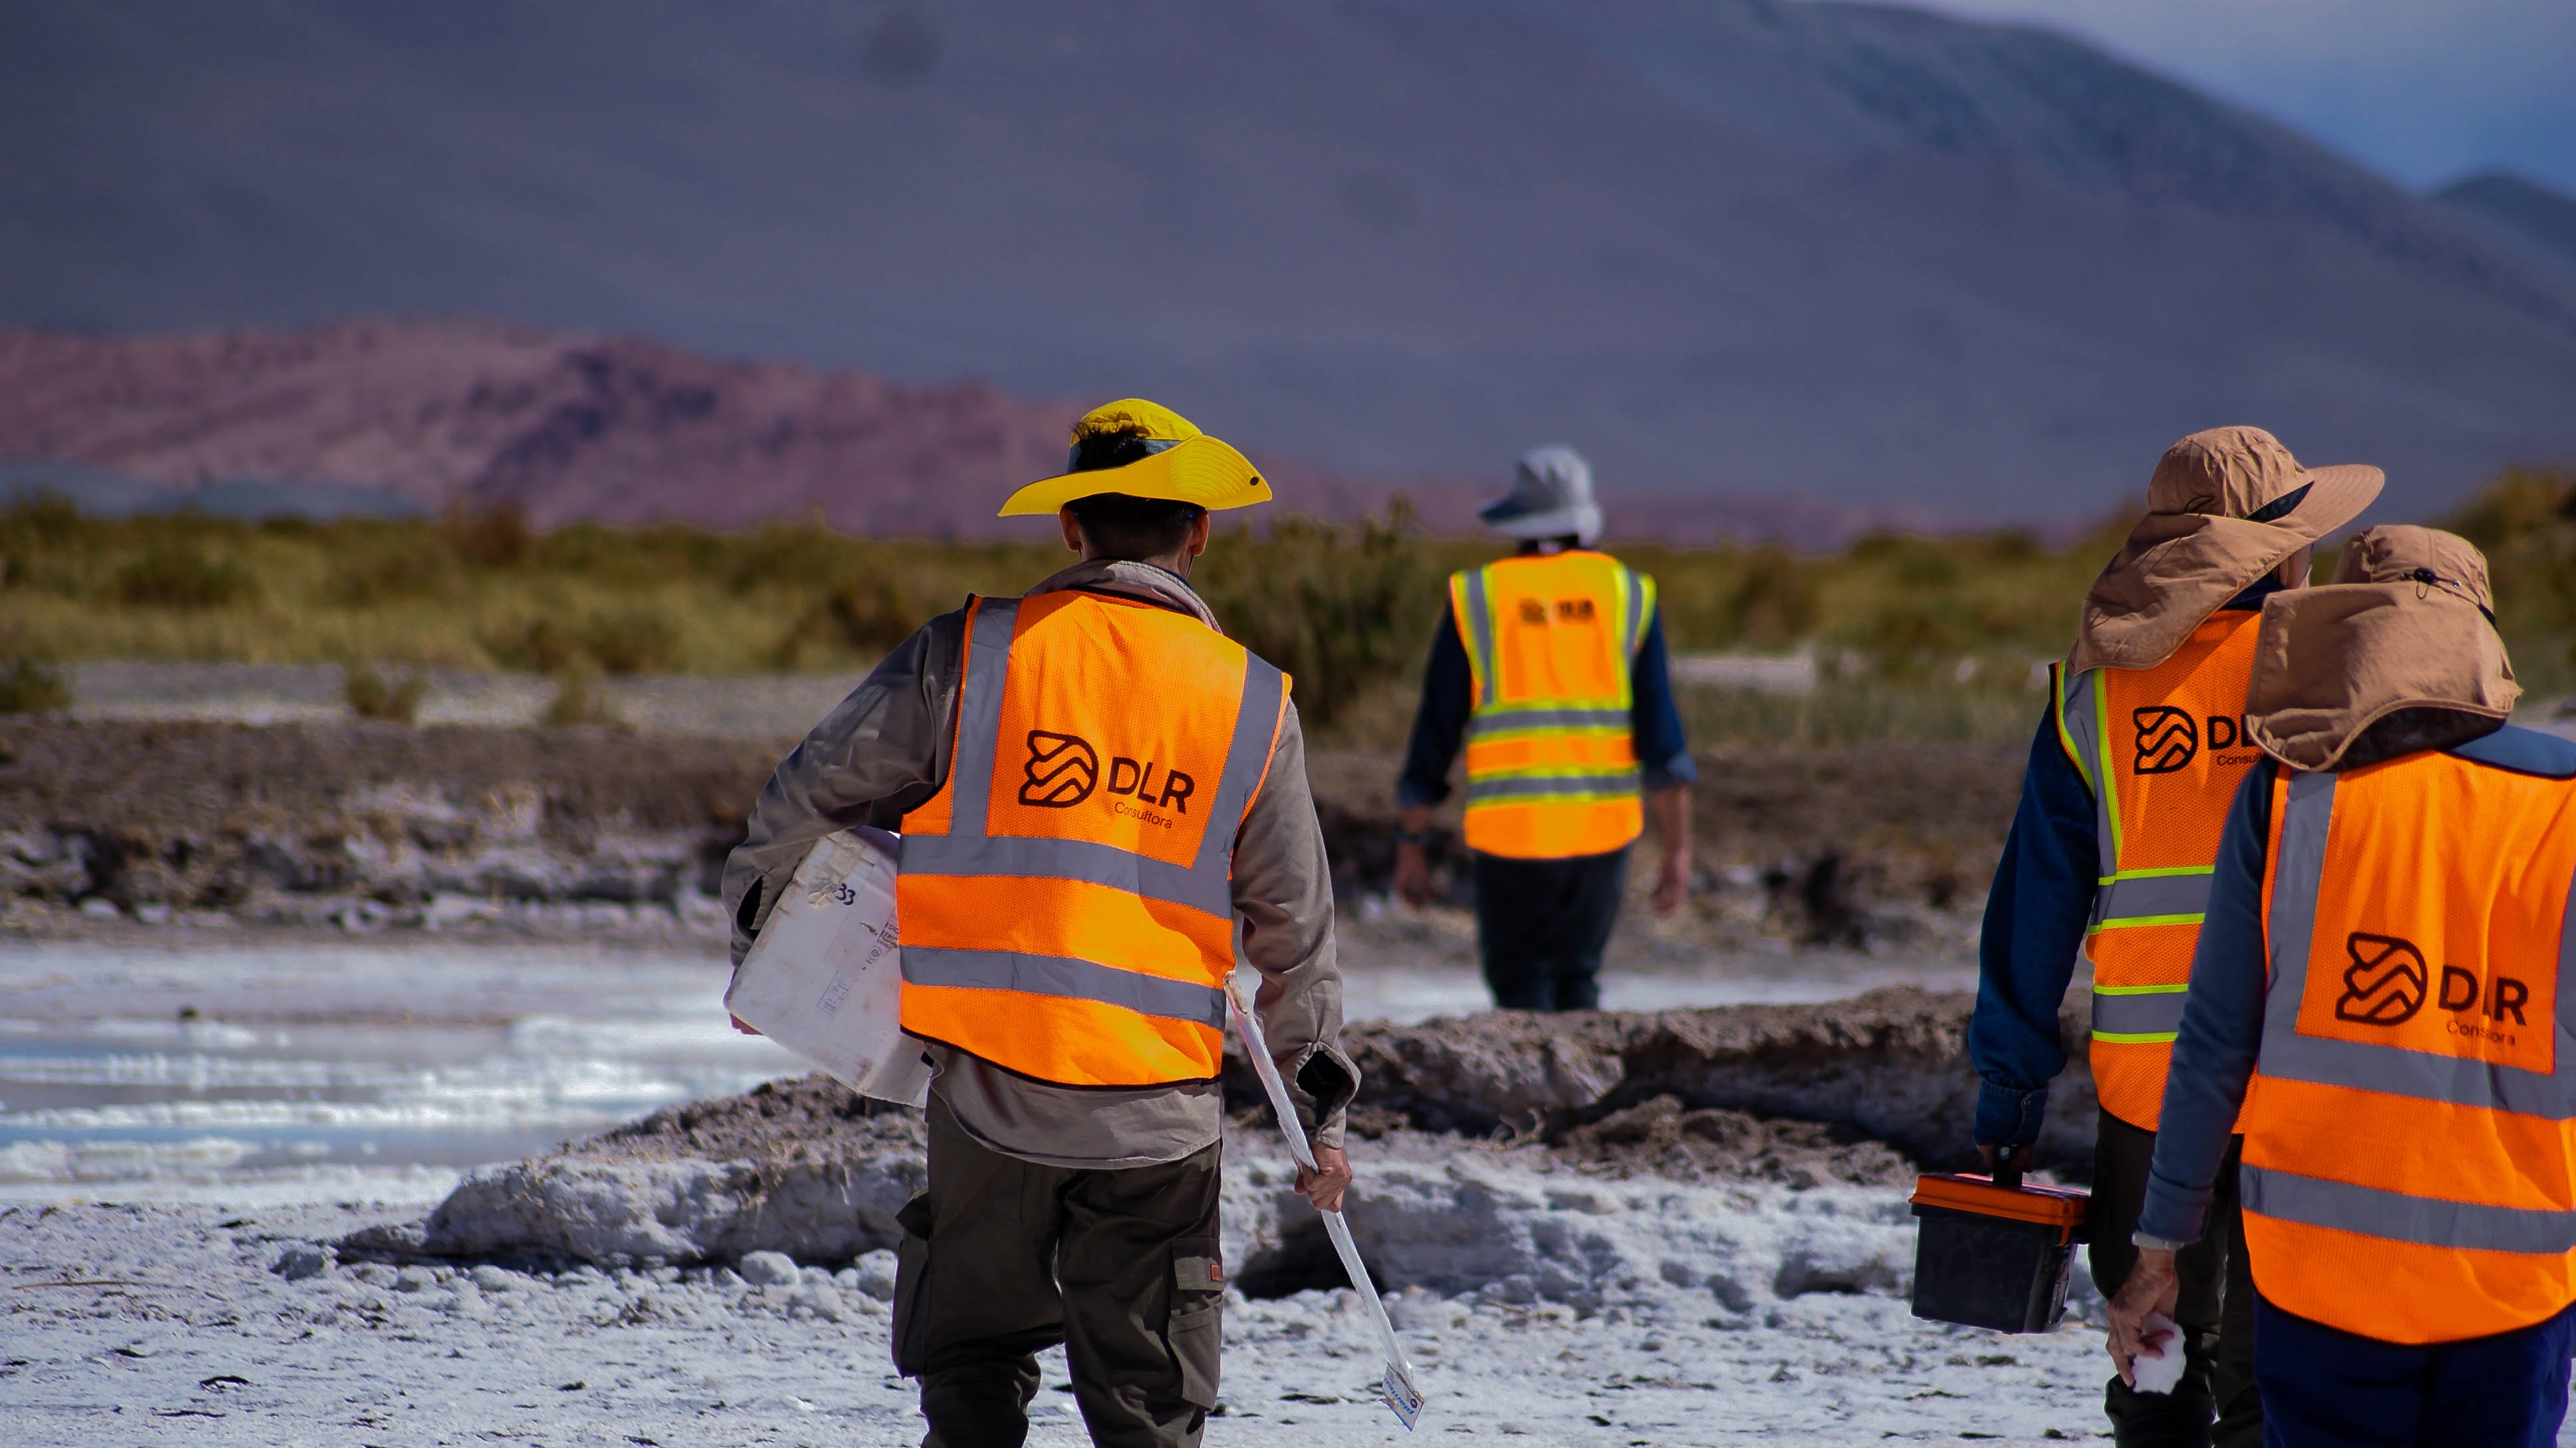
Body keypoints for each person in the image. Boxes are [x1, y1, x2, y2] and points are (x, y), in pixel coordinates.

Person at [721, 399, 1359, 1448]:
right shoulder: (1254, 703)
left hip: (985, 1098)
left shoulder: (968, 656)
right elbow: (1297, 937)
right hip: (1158, 1119)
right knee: (1152, 1418)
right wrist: (1320, 1121)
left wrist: (765, 962)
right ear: (1199, 530)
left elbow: (804, 799)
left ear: (1071, 526)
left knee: (971, 1383)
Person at [2108, 526, 2571, 1448]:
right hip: (2514, 1284)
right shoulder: (2564, 801)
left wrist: (2161, 1248)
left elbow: (2213, 1049)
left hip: (2319, 1280)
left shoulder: (2290, 793)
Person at [1967, 427, 2382, 1447]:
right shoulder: (2342, 677)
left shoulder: (2094, 701)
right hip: (2303, 1076)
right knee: (2273, 1369)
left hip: (2148, 1091)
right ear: (2280, 554)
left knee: (2153, 1357)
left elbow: (2033, 915)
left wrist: (2010, 1099)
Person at [1389, 446, 1695, 1011]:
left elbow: (1435, 732)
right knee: (1578, 984)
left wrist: (1411, 841)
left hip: (1512, 830)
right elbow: (1663, 738)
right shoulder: (1627, 592)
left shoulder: (1477, 595)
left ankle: (1528, 1099)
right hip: (1602, 831)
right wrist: (1677, 849)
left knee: (1519, 990)